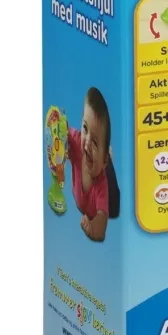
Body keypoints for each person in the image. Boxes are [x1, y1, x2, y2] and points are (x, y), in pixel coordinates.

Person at [66, 88, 119, 242]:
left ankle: (108, 159)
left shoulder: (101, 185)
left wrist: (94, 228)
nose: (88, 142)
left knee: (114, 209)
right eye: (85, 128)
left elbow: (102, 221)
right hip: (100, 159)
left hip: (105, 175)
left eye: (95, 142)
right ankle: (103, 150)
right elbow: (63, 128)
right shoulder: (78, 142)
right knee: (91, 149)